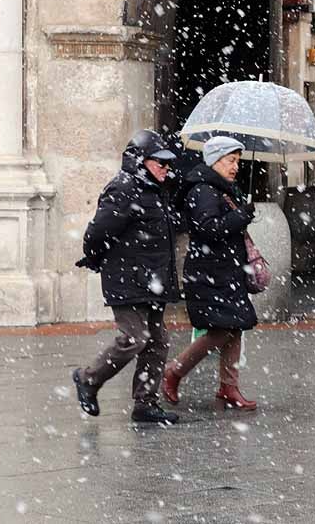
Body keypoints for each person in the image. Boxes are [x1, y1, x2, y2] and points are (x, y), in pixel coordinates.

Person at [72, 130, 181, 424]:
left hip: (152, 281)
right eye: (159, 162)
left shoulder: (157, 191)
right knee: (135, 338)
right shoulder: (123, 189)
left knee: (157, 341)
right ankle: (88, 378)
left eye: (167, 163)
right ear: (140, 161)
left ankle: (145, 403)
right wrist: (96, 259)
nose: (165, 168)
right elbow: (96, 233)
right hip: (127, 280)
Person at [162, 136, 259, 410]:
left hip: (226, 271)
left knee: (235, 326)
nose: (235, 167)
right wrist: (242, 215)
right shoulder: (203, 190)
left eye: (237, 161)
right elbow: (208, 228)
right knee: (220, 331)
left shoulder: (222, 189)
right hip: (210, 273)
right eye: (230, 160)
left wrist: (242, 212)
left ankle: (229, 387)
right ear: (215, 160)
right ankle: (174, 371)